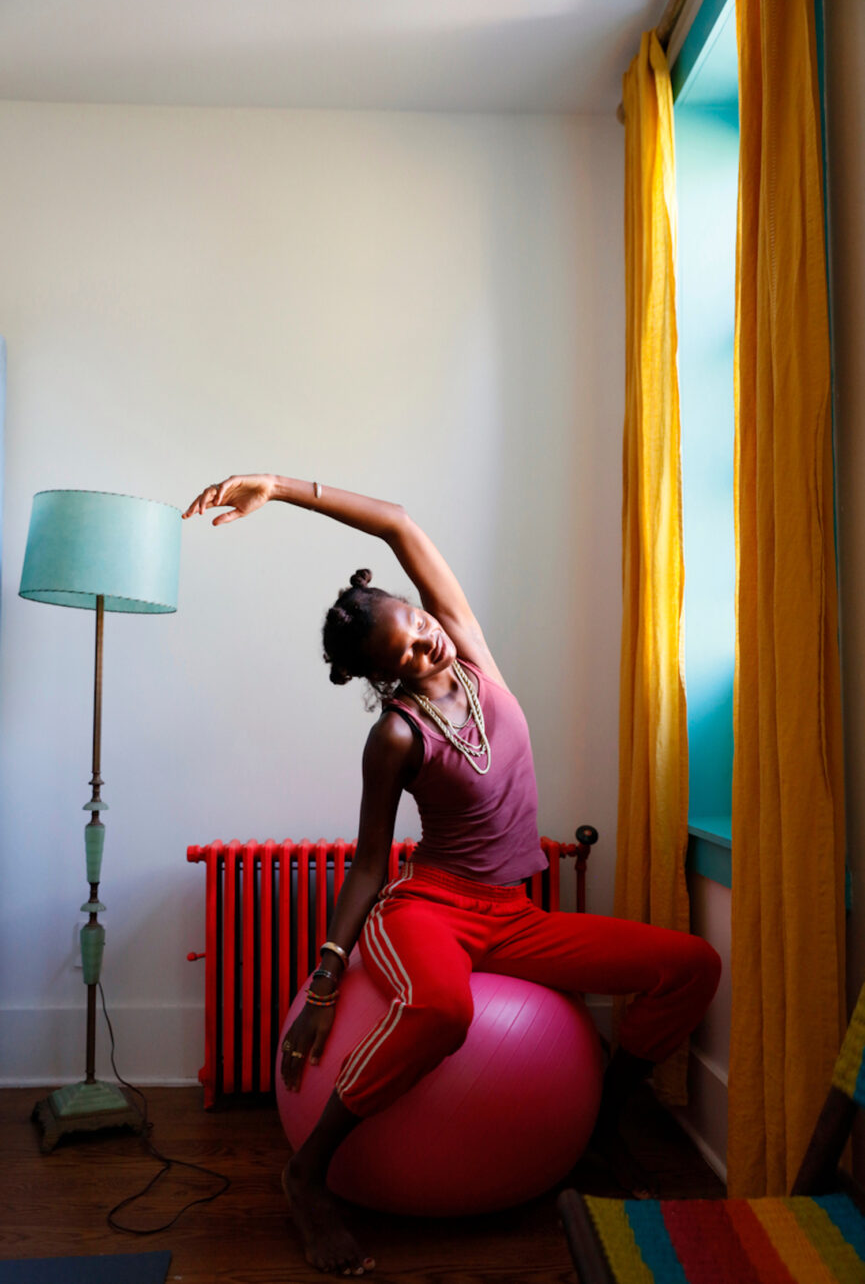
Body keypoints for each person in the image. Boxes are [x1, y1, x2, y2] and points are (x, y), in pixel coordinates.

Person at [184, 473, 721, 1278]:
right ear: (383, 678)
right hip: (427, 910)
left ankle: (607, 1122)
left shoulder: (471, 651)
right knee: (441, 1009)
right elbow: (369, 863)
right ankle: (307, 1175)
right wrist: (327, 982)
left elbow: (398, 524)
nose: (423, 642)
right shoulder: (396, 736)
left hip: (515, 915)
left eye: (416, 623)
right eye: (401, 651)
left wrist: (282, 487)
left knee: (689, 966)